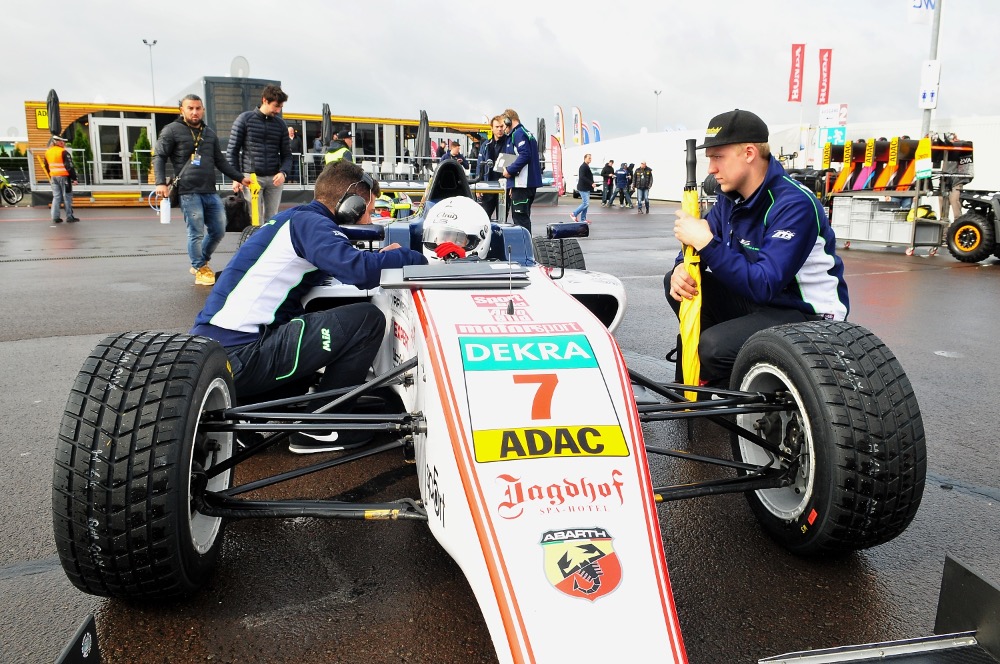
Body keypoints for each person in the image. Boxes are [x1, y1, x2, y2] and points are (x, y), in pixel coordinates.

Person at [190, 160, 427, 454]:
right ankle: (320, 427)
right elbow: (359, 271)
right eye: (367, 211)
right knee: (366, 320)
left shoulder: (295, 218)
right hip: (243, 356)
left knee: (309, 323)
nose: (367, 220)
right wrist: (411, 258)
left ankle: (246, 415)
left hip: (217, 356)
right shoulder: (311, 224)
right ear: (350, 204)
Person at [666, 108, 849, 385]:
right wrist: (681, 264)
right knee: (678, 283)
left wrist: (704, 242)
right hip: (761, 302)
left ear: (749, 153)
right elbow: (699, 243)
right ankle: (721, 367)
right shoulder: (730, 195)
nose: (711, 169)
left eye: (718, 157)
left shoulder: (794, 204)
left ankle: (733, 373)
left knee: (712, 348)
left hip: (808, 315)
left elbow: (764, 283)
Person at [154, 94, 251, 285]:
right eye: (190, 108)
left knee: (219, 228)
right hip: (188, 191)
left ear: (203, 110)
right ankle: (200, 268)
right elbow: (159, 156)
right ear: (182, 110)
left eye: (198, 108)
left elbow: (220, 161)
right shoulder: (171, 130)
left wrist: (239, 177)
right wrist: (160, 183)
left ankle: (201, 260)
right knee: (196, 232)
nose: (194, 112)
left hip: (209, 190)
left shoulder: (209, 133)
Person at [227, 84, 292, 224]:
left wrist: (283, 173)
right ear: (265, 100)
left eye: (280, 107)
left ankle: (268, 245)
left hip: (274, 178)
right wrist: (236, 177)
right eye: (276, 106)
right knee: (254, 219)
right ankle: (254, 245)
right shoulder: (244, 119)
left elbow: (287, 154)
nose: (278, 110)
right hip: (251, 178)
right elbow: (232, 150)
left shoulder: (280, 125)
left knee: (272, 219)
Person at [500, 108, 543, 233]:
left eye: (504, 125)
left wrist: (509, 171)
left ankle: (525, 250)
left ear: (509, 121)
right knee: (523, 217)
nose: (503, 129)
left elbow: (525, 155)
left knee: (520, 219)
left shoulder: (518, 133)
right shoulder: (525, 133)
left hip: (523, 185)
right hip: (524, 184)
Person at [476, 115, 507, 220]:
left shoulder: (509, 143)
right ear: (492, 128)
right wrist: (478, 185)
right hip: (488, 186)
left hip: (504, 186)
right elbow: (480, 165)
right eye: (497, 127)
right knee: (483, 217)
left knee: (502, 219)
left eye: (501, 126)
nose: (499, 129)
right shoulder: (485, 145)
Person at [44, 135, 79, 223]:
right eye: (62, 141)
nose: (63, 143)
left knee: (56, 197)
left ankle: (55, 217)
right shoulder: (63, 152)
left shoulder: (48, 152)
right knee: (67, 197)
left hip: (53, 177)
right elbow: (69, 166)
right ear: (57, 142)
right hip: (64, 177)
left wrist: (50, 175)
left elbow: (46, 165)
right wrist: (74, 178)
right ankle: (69, 217)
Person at [570, 153, 594, 223]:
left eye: (590, 158)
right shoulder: (583, 166)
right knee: (585, 203)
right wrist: (591, 183)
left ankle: (583, 219)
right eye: (589, 158)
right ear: (585, 158)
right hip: (583, 188)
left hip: (586, 188)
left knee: (586, 204)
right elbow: (582, 177)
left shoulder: (586, 166)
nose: (590, 159)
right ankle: (574, 214)